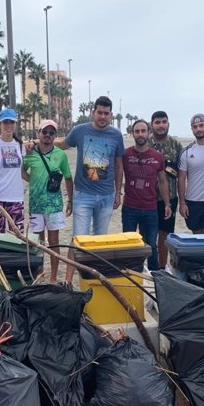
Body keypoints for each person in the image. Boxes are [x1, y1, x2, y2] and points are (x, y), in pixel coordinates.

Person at [51, 96, 124, 281]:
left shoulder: (116, 135)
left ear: (111, 115)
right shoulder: (80, 131)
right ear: (93, 112)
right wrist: (38, 143)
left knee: (100, 241)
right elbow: (62, 145)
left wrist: (118, 192)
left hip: (107, 196)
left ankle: (94, 279)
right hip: (83, 195)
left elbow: (119, 165)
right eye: (99, 112)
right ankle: (67, 281)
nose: (102, 117)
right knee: (78, 241)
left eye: (106, 113)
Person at [22, 120, 73, 282]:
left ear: (54, 136)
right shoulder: (30, 154)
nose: (47, 135)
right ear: (38, 133)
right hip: (36, 205)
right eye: (45, 132)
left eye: (51, 133)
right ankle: (40, 273)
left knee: (54, 242)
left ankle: (52, 277)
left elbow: (68, 177)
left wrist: (71, 200)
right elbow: (22, 171)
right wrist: (34, 182)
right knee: (38, 243)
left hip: (54, 206)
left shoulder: (61, 155)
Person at [122, 120, 171, 271]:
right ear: (133, 134)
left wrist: (167, 204)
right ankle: (131, 274)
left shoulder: (157, 157)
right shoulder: (126, 154)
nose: (140, 134)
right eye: (137, 131)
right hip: (129, 208)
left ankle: (155, 277)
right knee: (129, 246)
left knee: (150, 246)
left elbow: (163, 181)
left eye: (143, 131)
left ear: (149, 133)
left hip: (150, 208)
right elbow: (117, 173)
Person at [148, 110, 182, 269]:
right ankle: (150, 266)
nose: (161, 125)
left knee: (165, 234)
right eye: (157, 122)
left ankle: (162, 267)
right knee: (148, 235)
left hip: (170, 198)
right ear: (152, 124)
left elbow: (183, 173)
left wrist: (182, 200)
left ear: (168, 123)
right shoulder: (146, 144)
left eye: (164, 122)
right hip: (147, 198)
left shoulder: (176, 145)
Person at [0, 108, 25, 233]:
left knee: (17, 237)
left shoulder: (20, 145)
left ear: (16, 124)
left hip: (16, 198)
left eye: (12, 122)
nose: (9, 126)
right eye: (5, 122)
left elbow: (22, 172)